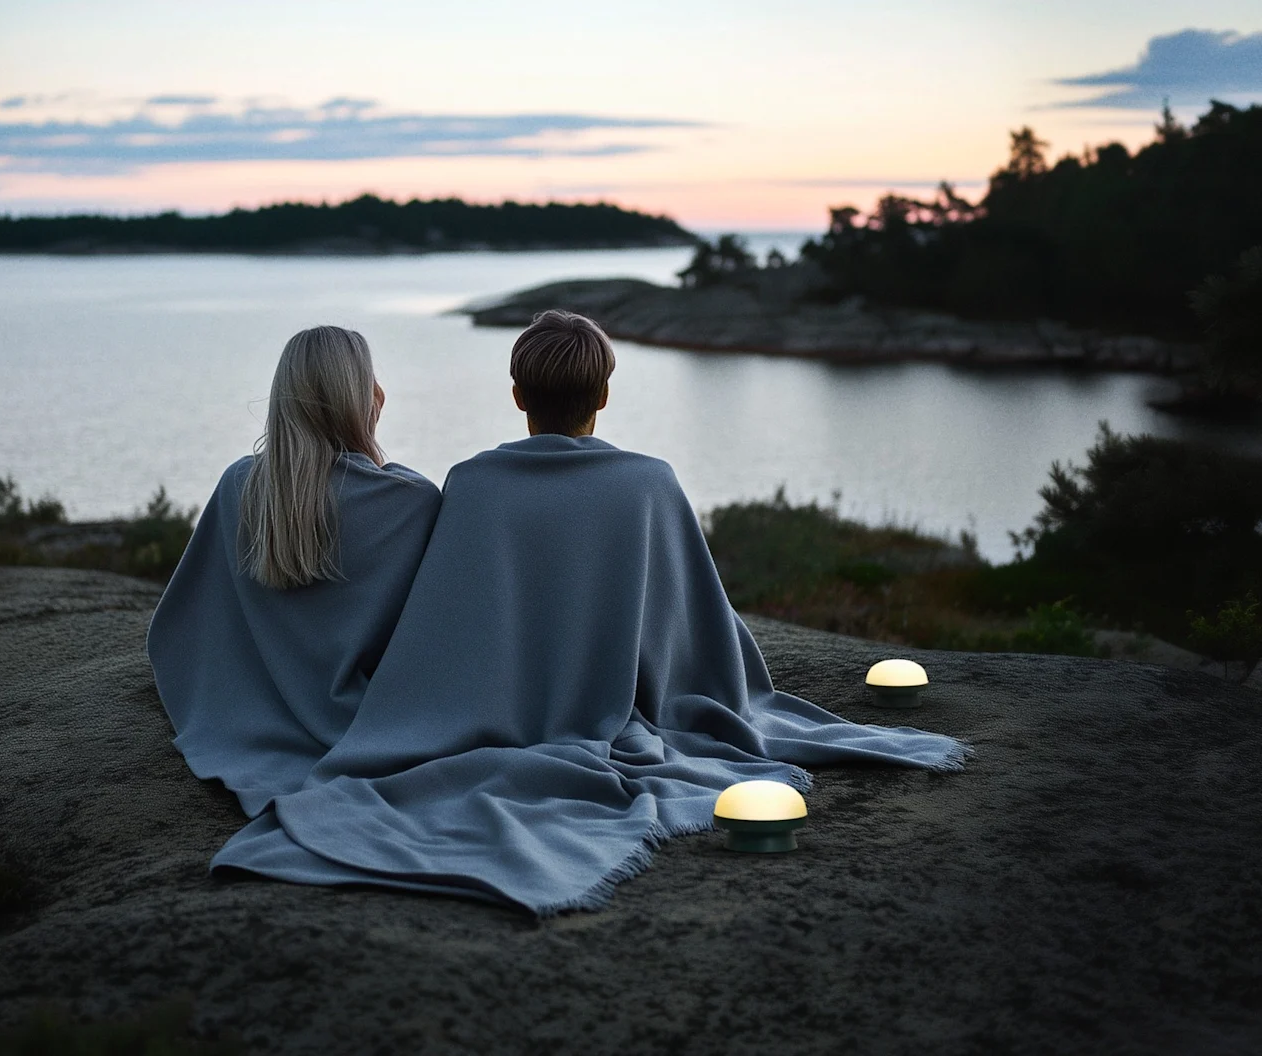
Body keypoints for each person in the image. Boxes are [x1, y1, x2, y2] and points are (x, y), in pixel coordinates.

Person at [214, 310, 970, 915]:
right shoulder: (646, 483)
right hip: (591, 725)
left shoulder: (467, 486)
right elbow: (690, 622)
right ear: (604, 395)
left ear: (517, 395)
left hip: (323, 726)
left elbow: (447, 625)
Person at [148, 325, 442, 819]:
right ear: (364, 395)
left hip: (242, 725)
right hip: (372, 722)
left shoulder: (239, 486)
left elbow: (183, 626)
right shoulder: (410, 500)